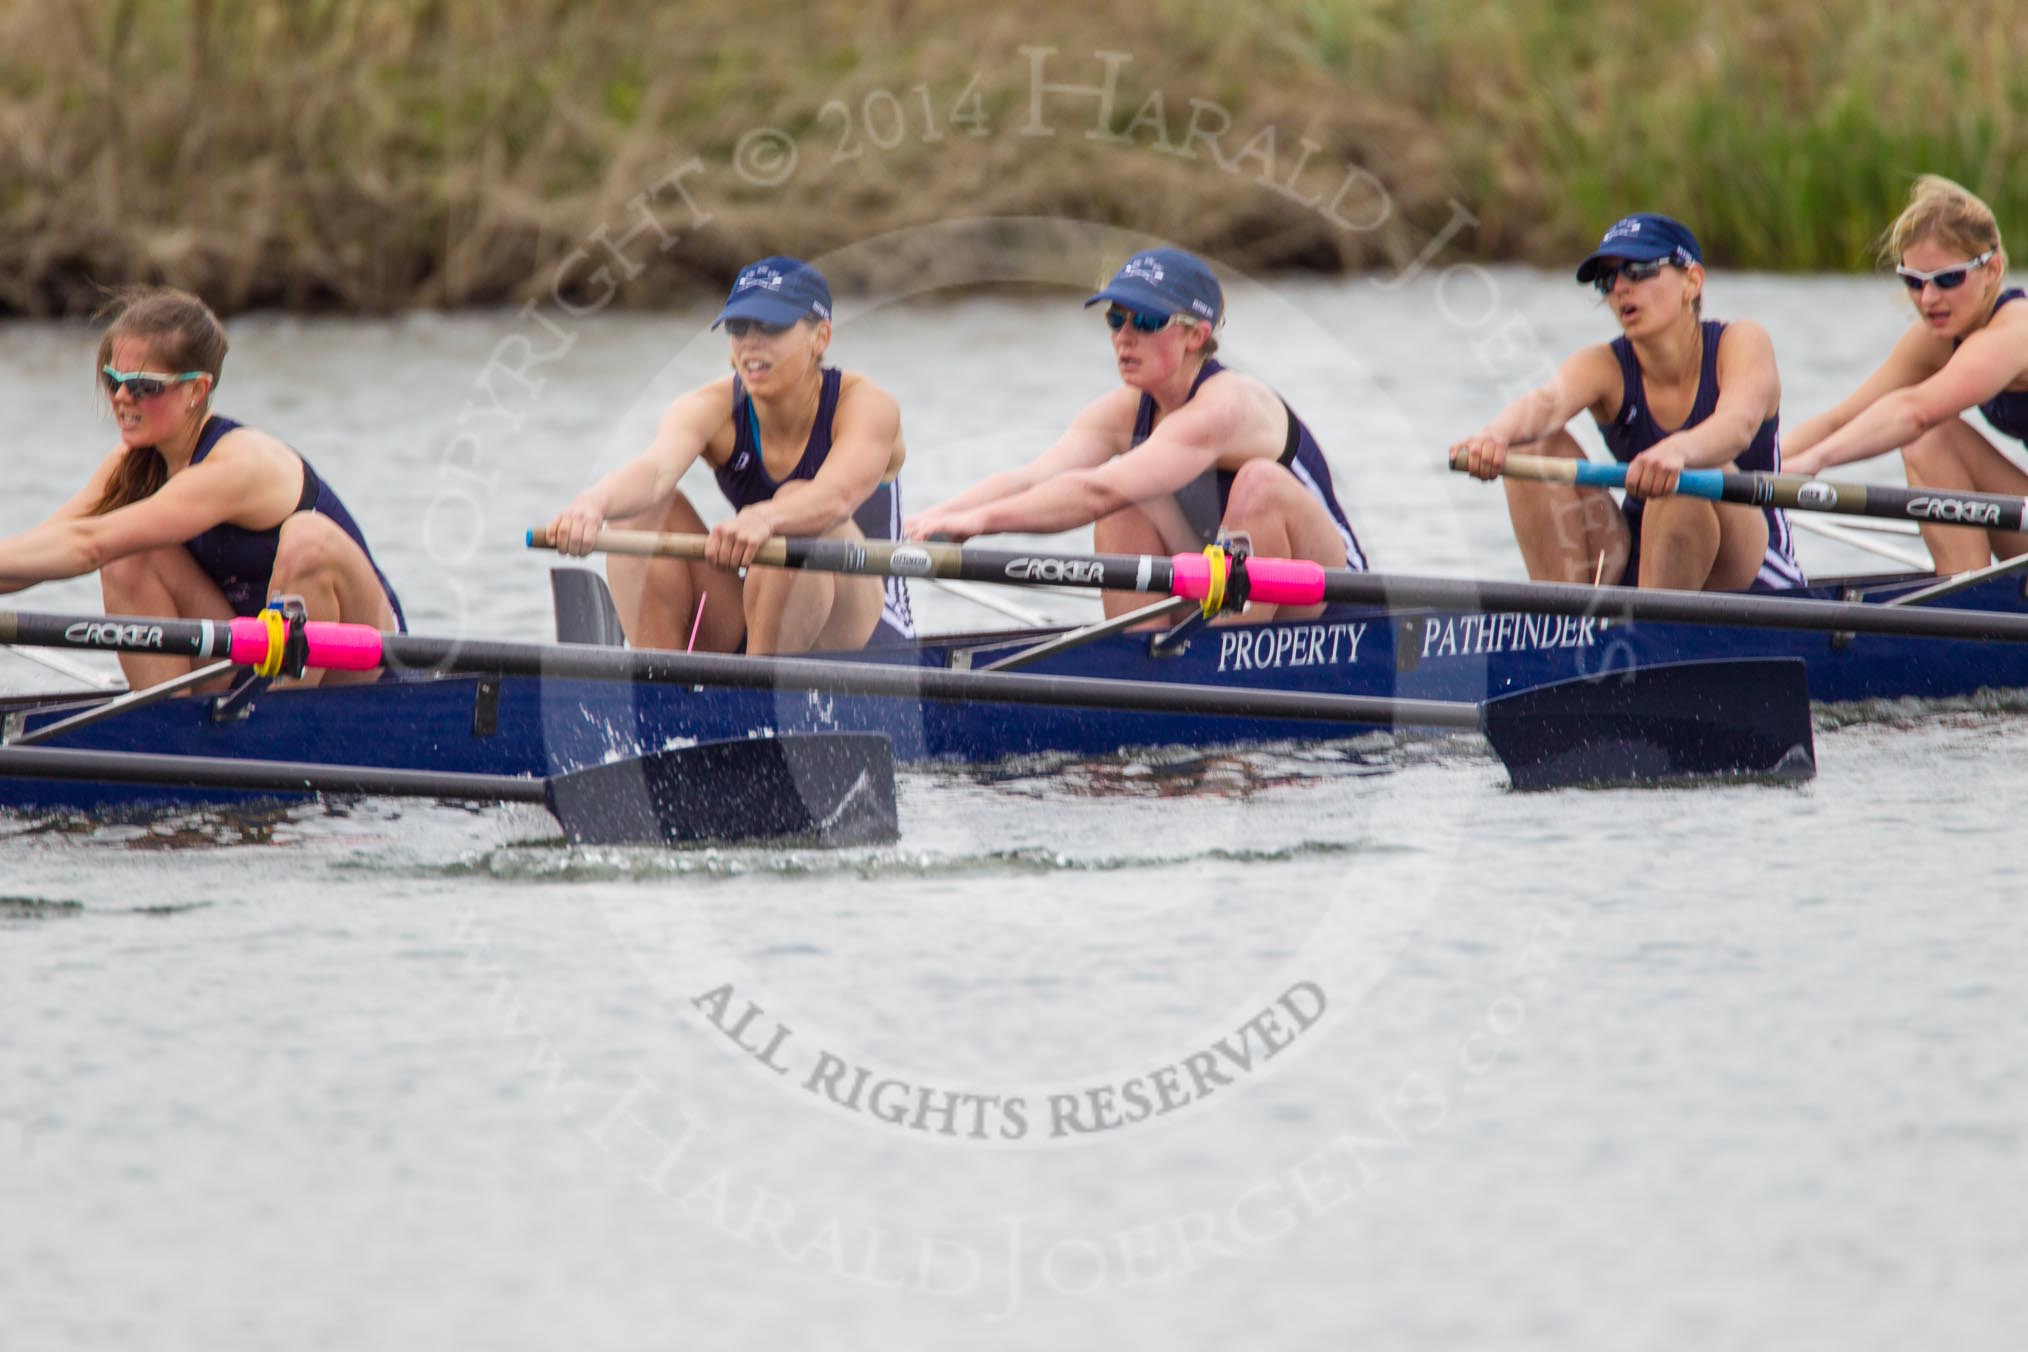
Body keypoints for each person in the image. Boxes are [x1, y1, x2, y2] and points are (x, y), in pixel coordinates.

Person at [904, 248, 1365, 622]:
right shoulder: (1126, 410)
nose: (1124, 337)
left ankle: (1218, 663)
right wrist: (928, 521)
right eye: (1115, 319)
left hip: (1334, 602)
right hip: (1217, 587)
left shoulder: (1228, 405)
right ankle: (1139, 659)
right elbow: (1033, 479)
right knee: (1130, 502)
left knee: (1253, 482)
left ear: (1194, 335)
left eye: (1145, 322)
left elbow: (1096, 490)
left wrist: (981, 524)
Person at [0, 288, 404, 689]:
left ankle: (278, 728)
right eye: (113, 379)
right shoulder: (132, 464)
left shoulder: (240, 463)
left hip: (359, 670)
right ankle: (171, 729)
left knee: (307, 538)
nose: (121, 397)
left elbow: (89, 546)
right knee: (129, 557)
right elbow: (42, 549)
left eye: (143, 386)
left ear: (196, 390)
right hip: (247, 663)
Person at [544, 256, 913, 653]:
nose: (752, 341)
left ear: (819, 338)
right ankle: (660, 691)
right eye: (739, 327)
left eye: (772, 326)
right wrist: (591, 505)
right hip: (766, 618)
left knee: (794, 507)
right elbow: (653, 473)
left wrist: (763, 517)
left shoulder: (866, 405)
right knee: (637, 514)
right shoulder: (708, 407)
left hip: (869, 630)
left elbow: (837, 497)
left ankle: (754, 694)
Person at [1453, 213, 1804, 591]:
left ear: (1692, 281)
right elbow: (1546, 405)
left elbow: (1739, 424)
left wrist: (1678, 449)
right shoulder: (1604, 366)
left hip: (1749, 566)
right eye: (1607, 279)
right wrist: (1493, 437)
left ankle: (1650, 632)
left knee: (1688, 476)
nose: (1619, 288)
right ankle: (1564, 628)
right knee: (1532, 446)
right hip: (1647, 559)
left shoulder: (1741, 342)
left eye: (1637, 271)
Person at [1782, 176, 2028, 574]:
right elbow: (1841, 419)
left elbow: (1915, 412)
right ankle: (1964, 603)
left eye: (1948, 279)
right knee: (1934, 443)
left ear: (1992, 269)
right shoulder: (1937, 338)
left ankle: (1970, 613)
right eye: (1914, 282)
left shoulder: (2016, 332)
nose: (1928, 299)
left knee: (1929, 434)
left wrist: (1813, 462)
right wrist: (1755, 465)